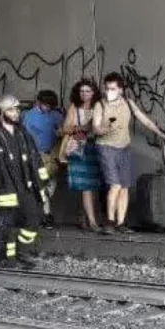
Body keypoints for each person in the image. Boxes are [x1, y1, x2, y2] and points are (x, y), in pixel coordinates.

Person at [0, 94, 48, 269]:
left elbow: (36, 160)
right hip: (4, 189)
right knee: (7, 226)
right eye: (10, 109)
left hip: (25, 188)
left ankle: (22, 251)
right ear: (0, 113)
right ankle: (8, 259)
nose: (15, 112)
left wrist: (43, 185)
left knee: (33, 219)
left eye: (16, 109)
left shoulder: (23, 134)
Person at [93, 72, 165, 235]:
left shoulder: (128, 102)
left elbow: (143, 119)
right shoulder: (100, 105)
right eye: (107, 88)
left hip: (124, 148)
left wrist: (159, 133)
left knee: (125, 187)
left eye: (112, 88)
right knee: (115, 185)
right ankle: (109, 222)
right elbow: (96, 128)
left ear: (120, 89)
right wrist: (106, 128)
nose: (108, 92)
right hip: (106, 147)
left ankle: (121, 223)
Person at [61, 79, 103, 233]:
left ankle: (83, 216)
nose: (84, 94)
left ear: (94, 93)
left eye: (88, 91)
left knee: (93, 185)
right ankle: (92, 222)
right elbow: (65, 128)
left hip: (95, 147)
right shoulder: (75, 107)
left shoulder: (99, 107)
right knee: (86, 186)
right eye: (82, 91)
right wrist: (82, 127)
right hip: (79, 148)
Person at [22, 90, 63, 229]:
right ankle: (45, 215)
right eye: (46, 105)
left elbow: (62, 134)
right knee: (41, 187)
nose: (48, 108)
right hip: (36, 155)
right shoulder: (29, 116)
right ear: (39, 102)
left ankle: (44, 214)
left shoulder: (56, 116)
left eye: (51, 106)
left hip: (52, 156)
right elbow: (24, 137)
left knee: (50, 186)